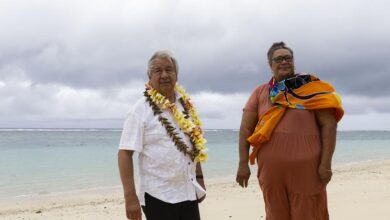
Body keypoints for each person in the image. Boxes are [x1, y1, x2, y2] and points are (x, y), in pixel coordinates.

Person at [235, 42, 344, 220]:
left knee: (309, 214)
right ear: (270, 65)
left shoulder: (312, 89)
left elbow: (329, 125)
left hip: (308, 171)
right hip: (271, 173)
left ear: (293, 62)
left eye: (288, 58)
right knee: (276, 214)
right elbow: (245, 128)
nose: (284, 61)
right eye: (279, 59)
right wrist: (242, 163)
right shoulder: (260, 92)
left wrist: (326, 164)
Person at [118, 50, 208, 220]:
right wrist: (130, 197)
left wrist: (199, 178)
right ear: (149, 76)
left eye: (169, 69)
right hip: (157, 195)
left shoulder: (186, 106)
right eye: (158, 71)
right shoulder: (139, 111)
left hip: (187, 191)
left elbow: (193, 146)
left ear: (177, 75)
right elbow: (124, 154)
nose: (164, 75)